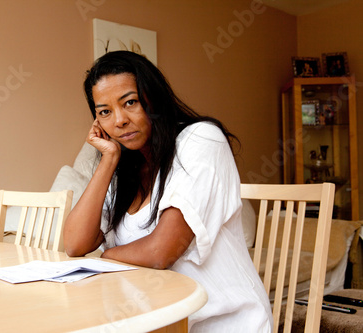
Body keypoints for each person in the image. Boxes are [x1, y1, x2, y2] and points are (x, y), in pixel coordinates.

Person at [63, 50, 273, 332]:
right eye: (105, 112)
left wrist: (107, 256)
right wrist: (109, 159)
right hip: (159, 322)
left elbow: (162, 251)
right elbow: (75, 244)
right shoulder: (124, 166)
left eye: (130, 102)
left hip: (224, 322)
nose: (119, 120)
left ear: (154, 98)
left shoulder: (201, 139)